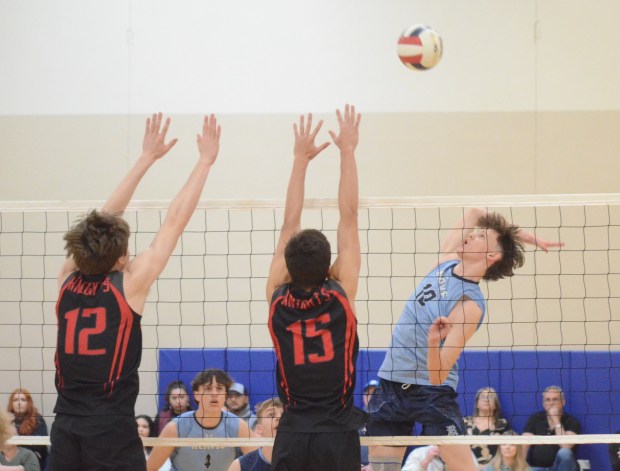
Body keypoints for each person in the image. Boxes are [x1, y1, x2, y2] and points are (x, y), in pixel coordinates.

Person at [50, 112, 223, 471]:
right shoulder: (128, 284)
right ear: (119, 259)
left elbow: (100, 222)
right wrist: (205, 161)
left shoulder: (66, 278)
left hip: (65, 423)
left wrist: (145, 158)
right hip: (110, 427)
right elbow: (175, 221)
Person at [367, 208, 563, 471]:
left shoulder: (469, 304)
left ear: (491, 255)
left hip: (431, 393)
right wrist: (523, 237)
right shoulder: (445, 262)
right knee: (381, 469)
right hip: (392, 382)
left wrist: (433, 344)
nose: (470, 235)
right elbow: (475, 212)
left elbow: (438, 376)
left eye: (480, 236)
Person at [266, 105, 364, 471]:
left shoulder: (276, 295)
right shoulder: (340, 292)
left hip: (292, 431)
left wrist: (300, 160)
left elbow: (289, 222)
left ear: (288, 269)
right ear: (330, 267)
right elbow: (349, 217)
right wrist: (348, 152)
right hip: (336, 432)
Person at [147, 369, 254, 471]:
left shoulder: (238, 425)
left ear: (225, 396)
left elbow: (258, 463)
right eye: (208, 388)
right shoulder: (175, 427)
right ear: (197, 395)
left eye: (219, 388)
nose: (214, 393)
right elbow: (149, 468)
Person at [522, 386, 580, 471]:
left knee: (564, 452)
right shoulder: (535, 419)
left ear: (563, 402)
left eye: (555, 399)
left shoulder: (572, 422)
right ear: (543, 404)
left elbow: (566, 445)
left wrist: (556, 420)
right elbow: (524, 443)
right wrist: (520, 466)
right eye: (547, 400)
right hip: (537, 468)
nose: (551, 403)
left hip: (561, 468)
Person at [227, 398, 283, 471]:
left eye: (283, 414)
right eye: (271, 415)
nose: (279, 417)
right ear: (259, 429)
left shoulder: (301, 461)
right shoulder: (240, 466)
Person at [464, 387, 513, 468]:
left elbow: (509, 449)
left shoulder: (502, 424)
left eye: (490, 397)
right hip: (465, 467)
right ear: (477, 404)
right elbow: (454, 447)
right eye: (483, 396)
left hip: (494, 468)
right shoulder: (465, 422)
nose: (486, 399)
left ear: (496, 405)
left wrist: (488, 467)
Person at [6, 389, 47, 470]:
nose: (19, 403)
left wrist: (17, 441)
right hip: (10, 456)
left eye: (23, 400)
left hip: (32, 457)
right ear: (11, 403)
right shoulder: (6, 420)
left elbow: (39, 445)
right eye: (15, 400)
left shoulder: (37, 419)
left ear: (28, 403)